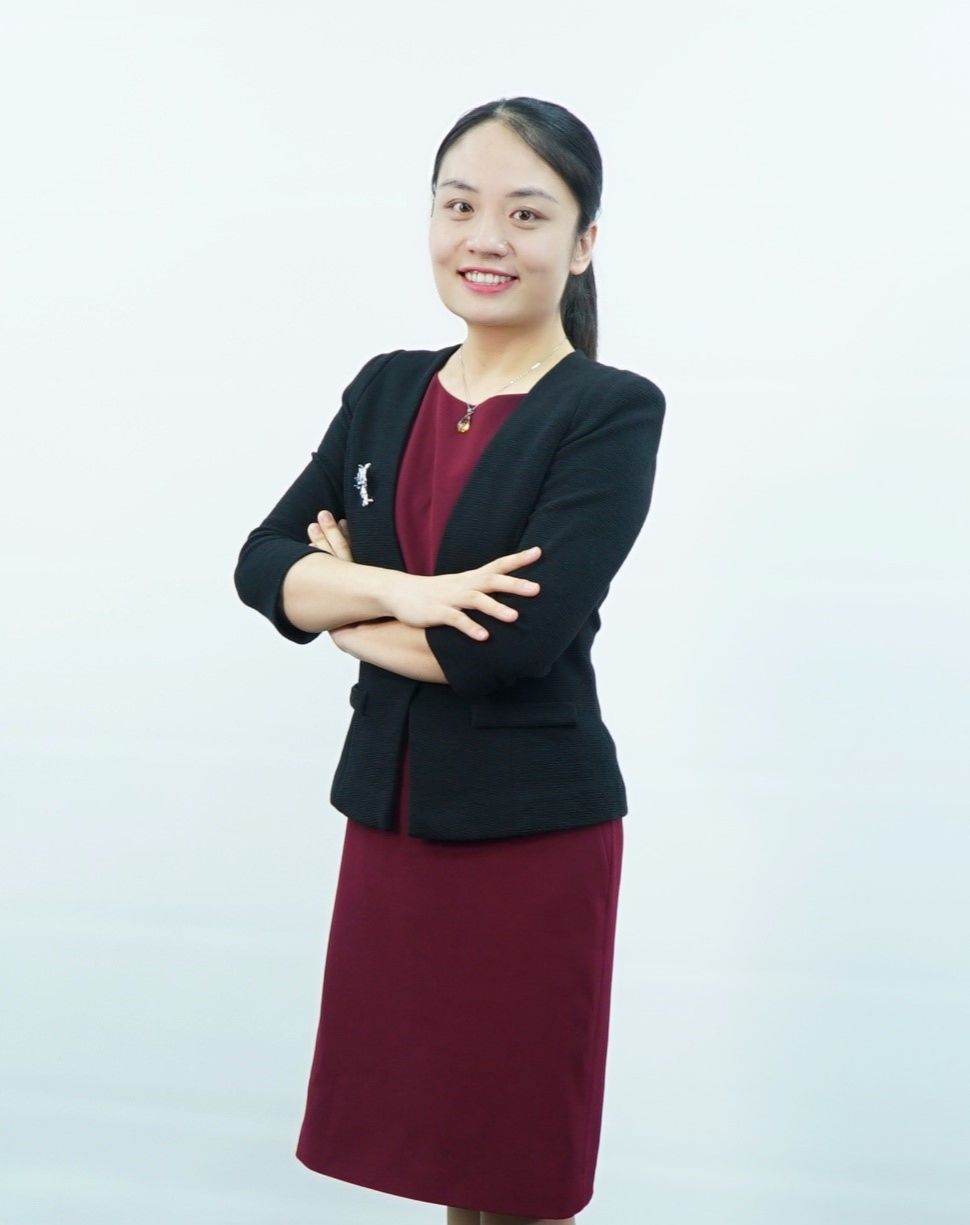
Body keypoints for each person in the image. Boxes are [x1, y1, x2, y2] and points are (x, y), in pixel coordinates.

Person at [233, 96, 667, 1225]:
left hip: (532, 835)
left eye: (526, 213)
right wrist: (409, 595)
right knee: (443, 1163)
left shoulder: (609, 411)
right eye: (459, 205)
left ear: (581, 243)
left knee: (514, 1171)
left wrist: (342, 608)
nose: (485, 237)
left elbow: (512, 644)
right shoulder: (387, 387)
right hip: (394, 819)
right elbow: (263, 564)